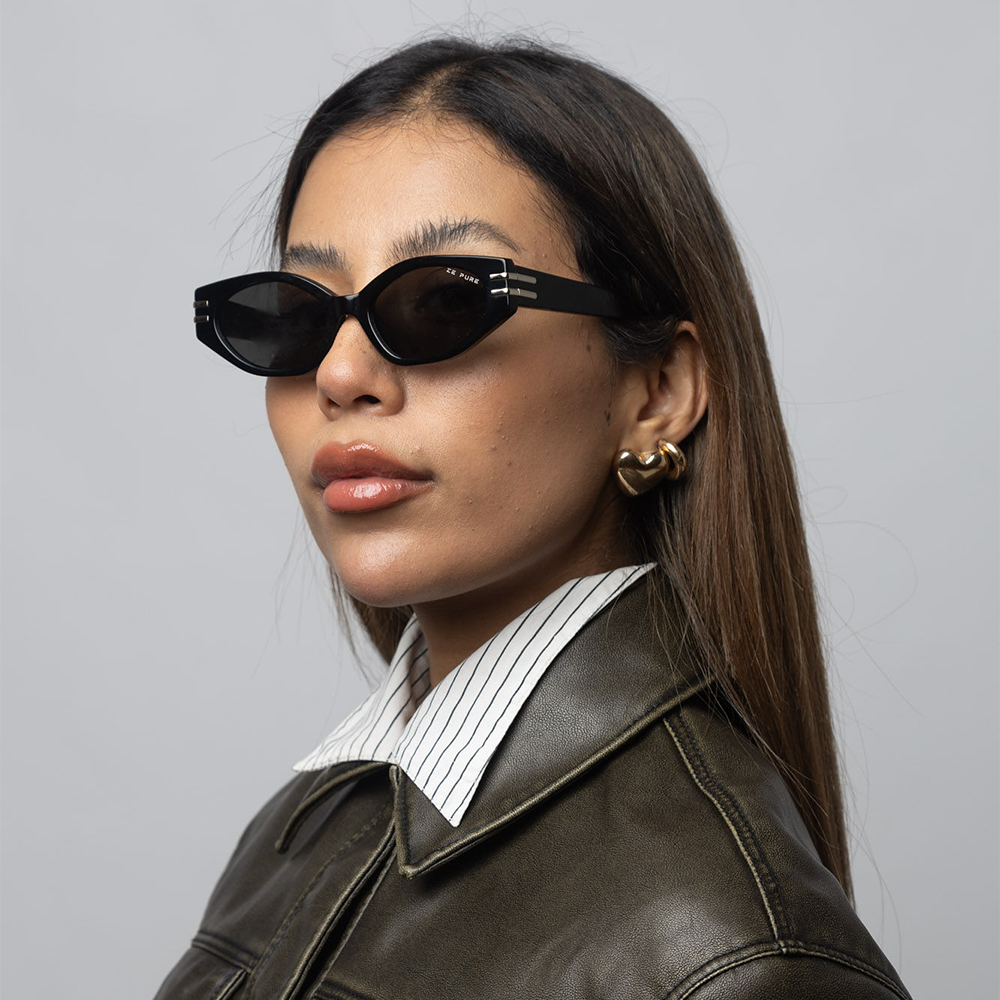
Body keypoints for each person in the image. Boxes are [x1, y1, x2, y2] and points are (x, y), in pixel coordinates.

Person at [159, 35, 911, 999]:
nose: (341, 376)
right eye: (296, 316)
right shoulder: (307, 820)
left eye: (441, 301)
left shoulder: (732, 958)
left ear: (658, 390)